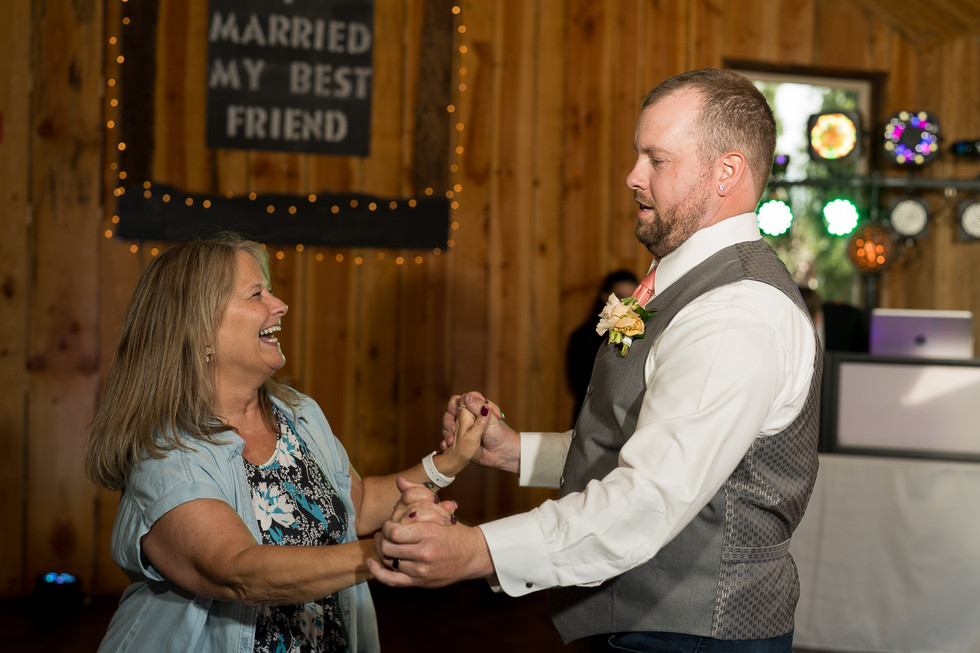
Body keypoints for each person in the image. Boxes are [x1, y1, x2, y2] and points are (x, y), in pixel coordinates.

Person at [368, 68, 822, 653]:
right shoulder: (691, 284)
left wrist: (478, 551)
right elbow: (643, 441)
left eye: (656, 160)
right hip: (641, 622)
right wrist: (514, 451)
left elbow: (649, 499)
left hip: (696, 635)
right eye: (638, 155)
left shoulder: (736, 312)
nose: (632, 177)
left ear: (726, 172)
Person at [84, 235, 488, 652]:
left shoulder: (297, 414)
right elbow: (240, 571)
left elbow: (360, 504)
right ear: (199, 328)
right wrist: (383, 553)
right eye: (257, 293)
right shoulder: (168, 453)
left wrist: (451, 460)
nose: (280, 305)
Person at [566, 269, 640, 420]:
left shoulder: (641, 334)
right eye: (620, 297)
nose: (625, 304)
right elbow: (582, 385)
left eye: (631, 297)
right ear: (605, 297)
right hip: (591, 417)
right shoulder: (583, 338)